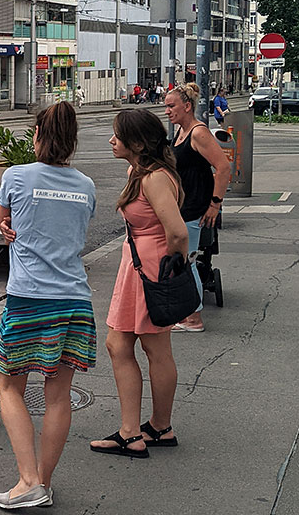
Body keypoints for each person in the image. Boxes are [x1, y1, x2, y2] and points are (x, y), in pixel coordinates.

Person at [0, 102, 97, 510]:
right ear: (72, 142)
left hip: (30, 296)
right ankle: (44, 484)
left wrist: (5, 225)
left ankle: (27, 480)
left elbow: (6, 221)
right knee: (58, 396)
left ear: (37, 135)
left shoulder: (16, 176)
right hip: (74, 298)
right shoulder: (85, 185)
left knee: (9, 385)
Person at [90, 108, 189, 459]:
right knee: (132, 346)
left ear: (137, 142)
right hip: (140, 267)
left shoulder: (153, 178)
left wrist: (170, 271)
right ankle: (155, 427)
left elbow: (177, 231)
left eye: (117, 134)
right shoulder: (141, 171)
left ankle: (139, 431)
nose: (111, 139)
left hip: (150, 270)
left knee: (140, 347)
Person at [165, 83, 231, 332]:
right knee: (181, 259)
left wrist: (215, 204)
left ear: (187, 106)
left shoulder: (198, 133)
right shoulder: (181, 133)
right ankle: (187, 312)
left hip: (194, 208)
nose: (167, 111)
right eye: (166, 106)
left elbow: (223, 168)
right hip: (182, 206)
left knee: (186, 261)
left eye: (171, 106)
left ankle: (193, 318)